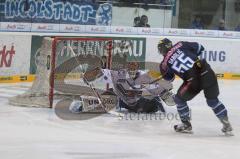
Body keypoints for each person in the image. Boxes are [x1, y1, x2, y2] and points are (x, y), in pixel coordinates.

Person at [157, 38, 233, 135]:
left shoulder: (164, 64)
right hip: (207, 72)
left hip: (193, 81)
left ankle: (186, 125)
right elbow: (200, 48)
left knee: (179, 99)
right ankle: (226, 124)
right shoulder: (181, 44)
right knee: (213, 100)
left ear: (162, 49)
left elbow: (169, 79)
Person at [78, 61, 175, 114]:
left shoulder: (143, 77)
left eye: (135, 66)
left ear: (138, 68)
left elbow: (154, 87)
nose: (132, 68)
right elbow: (100, 72)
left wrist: (165, 94)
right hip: (124, 102)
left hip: (140, 103)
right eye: (130, 66)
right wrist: (89, 76)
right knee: (113, 97)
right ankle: (89, 104)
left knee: (144, 105)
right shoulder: (118, 74)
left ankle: (156, 103)